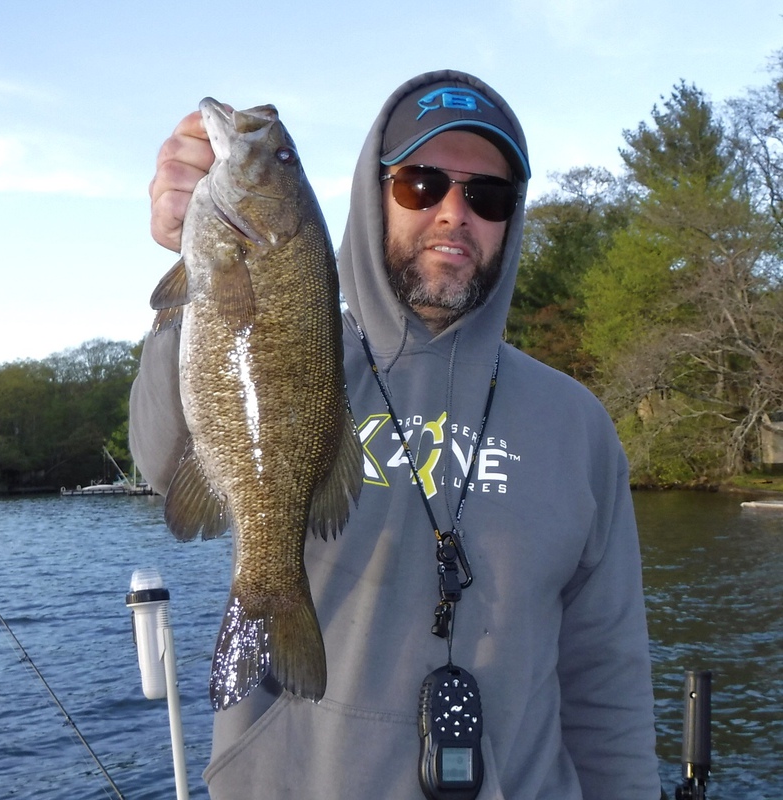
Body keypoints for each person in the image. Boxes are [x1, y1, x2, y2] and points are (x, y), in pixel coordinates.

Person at [131, 70, 662, 799]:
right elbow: (162, 459)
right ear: (373, 196)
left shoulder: (578, 425)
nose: (454, 213)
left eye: (488, 195)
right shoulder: (319, 360)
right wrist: (191, 264)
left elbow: (609, 677)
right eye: (421, 184)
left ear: (511, 218)